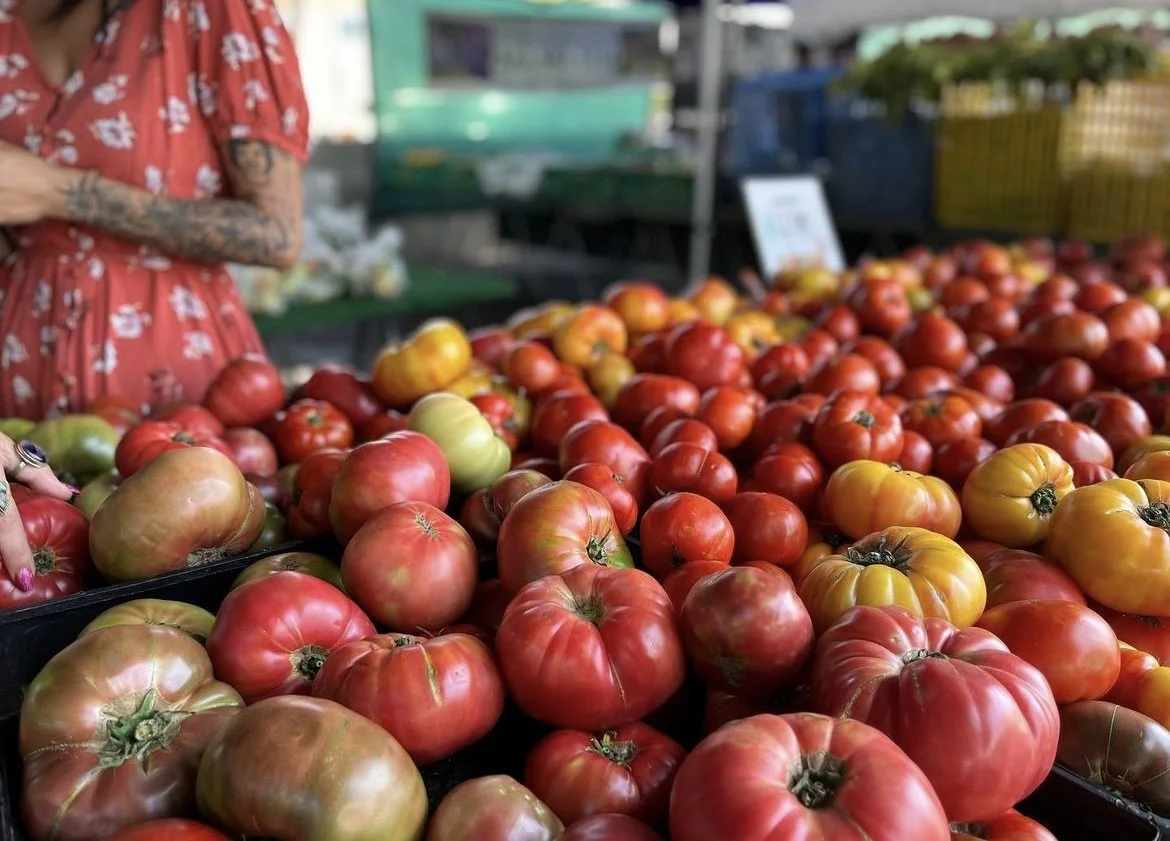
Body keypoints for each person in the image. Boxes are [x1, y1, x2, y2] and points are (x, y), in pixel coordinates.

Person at [0, 0, 308, 588]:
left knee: (180, 582)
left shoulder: (209, 12)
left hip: (178, 385)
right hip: (18, 374)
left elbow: (277, 232)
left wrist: (62, 194)